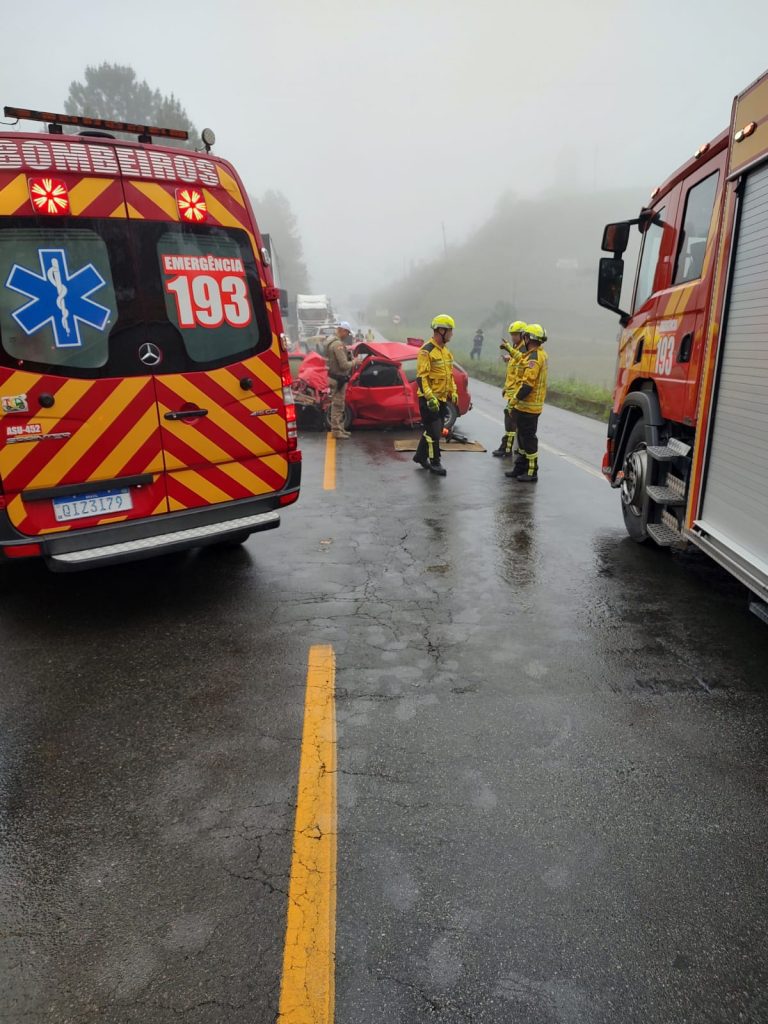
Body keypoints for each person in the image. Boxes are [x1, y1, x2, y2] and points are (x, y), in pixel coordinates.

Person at [412, 314, 458, 476]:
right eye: (450, 331)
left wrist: (453, 391)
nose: (452, 334)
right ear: (441, 330)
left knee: (433, 430)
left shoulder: (445, 352)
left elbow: (449, 374)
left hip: (442, 399)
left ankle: (419, 456)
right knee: (434, 432)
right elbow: (421, 377)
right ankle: (435, 462)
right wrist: (429, 397)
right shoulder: (426, 351)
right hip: (428, 400)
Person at [505, 324, 549, 482]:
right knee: (522, 438)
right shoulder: (533, 355)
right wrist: (509, 349)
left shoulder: (535, 358)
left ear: (529, 338)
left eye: (525, 336)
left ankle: (531, 471)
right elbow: (519, 358)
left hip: (529, 407)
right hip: (525, 406)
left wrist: (513, 402)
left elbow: (527, 386)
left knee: (528, 439)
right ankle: (520, 467)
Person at [492, 321, 528, 457]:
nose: (513, 337)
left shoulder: (523, 349)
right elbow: (515, 363)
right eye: (511, 335)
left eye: (515, 335)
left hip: (517, 394)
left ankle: (506, 448)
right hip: (511, 391)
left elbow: (522, 361)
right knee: (512, 422)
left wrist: (509, 351)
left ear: (522, 334)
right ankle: (509, 447)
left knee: (510, 422)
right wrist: (509, 357)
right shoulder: (517, 348)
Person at [326, 321, 356, 439]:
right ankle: (337, 431)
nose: (347, 335)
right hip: (338, 379)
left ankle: (340, 428)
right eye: (347, 332)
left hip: (335, 377)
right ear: (342, 330)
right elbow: (344, 365)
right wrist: (355, 362)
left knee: (339, 404)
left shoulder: (332, 342)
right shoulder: (337, 345)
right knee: (337, 405)